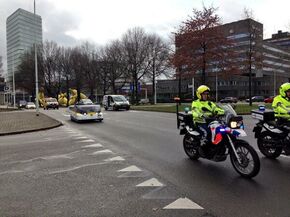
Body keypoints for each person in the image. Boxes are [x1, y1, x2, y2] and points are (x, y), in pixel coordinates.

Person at [191, 85, 225, 155]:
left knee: (220, 130)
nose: (206, 95)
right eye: (204, 94)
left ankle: (215, 145)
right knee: (206, 132)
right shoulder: (195, 103)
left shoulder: (210, 103)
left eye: (207, 94)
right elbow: (195, 111)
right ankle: (203, 147)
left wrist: (222, 111)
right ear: (199, 94)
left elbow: (215, 108)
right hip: (200, 122)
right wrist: (200, 115)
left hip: (210, 121)